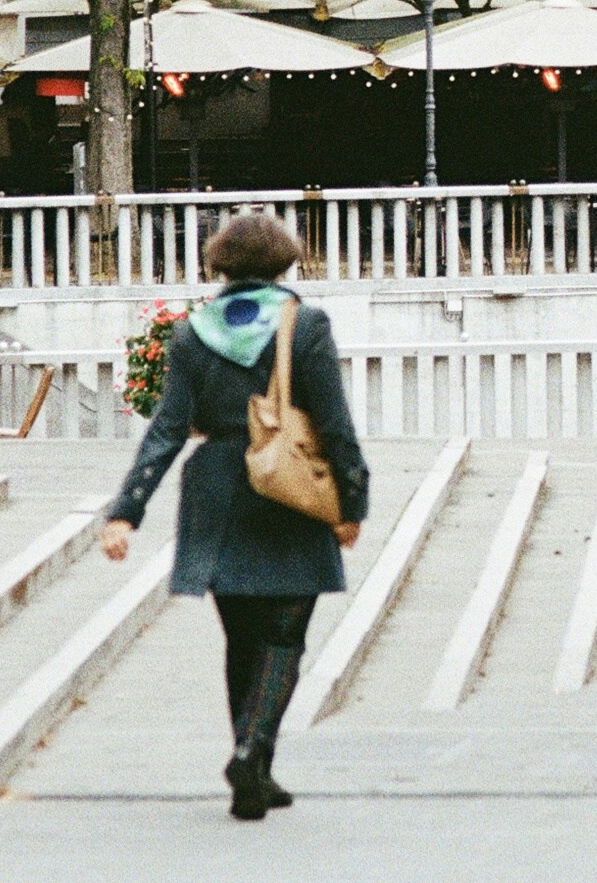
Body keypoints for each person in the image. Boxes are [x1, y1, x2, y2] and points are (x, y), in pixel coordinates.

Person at [103, 214, 370, 822]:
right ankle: (252, 752)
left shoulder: (194, 331)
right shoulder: (305, 324)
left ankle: (253, 771)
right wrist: (351, 502)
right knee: (284, 637)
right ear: (286, 262)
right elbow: (334, 422)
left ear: (219, 263)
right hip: (289, 487)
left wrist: (128, 511)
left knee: (242, 638)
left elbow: (168, 429)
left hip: (217, 487)